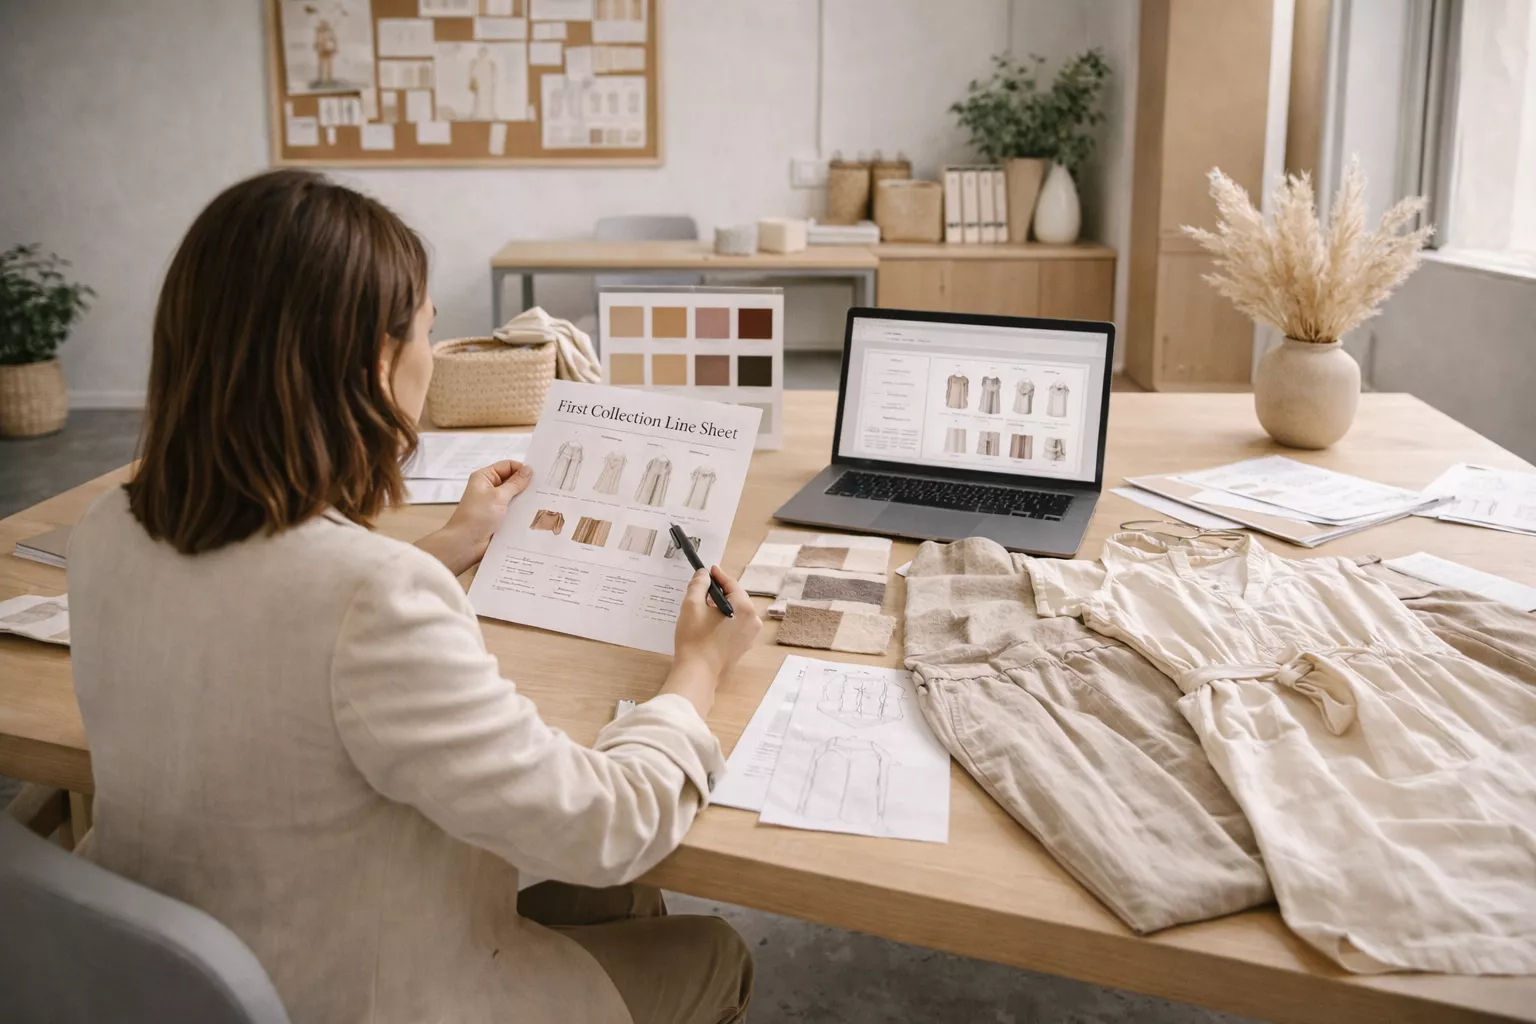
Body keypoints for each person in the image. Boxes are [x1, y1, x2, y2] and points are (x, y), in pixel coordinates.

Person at [67, 169, 761, 1024]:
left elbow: (280, 618)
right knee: (711, 951)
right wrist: (696, 671)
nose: (433, 359)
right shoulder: (370, 599)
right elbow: (608, 828)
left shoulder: (110, 526)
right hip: (359, 994)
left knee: (605, 905)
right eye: (431, 332)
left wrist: (448, 546)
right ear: (376, 363)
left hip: (182, 970)